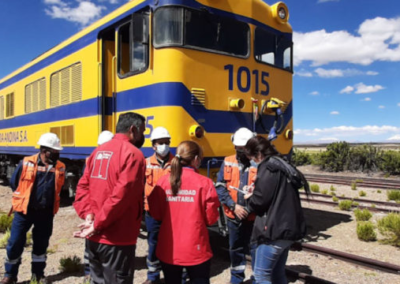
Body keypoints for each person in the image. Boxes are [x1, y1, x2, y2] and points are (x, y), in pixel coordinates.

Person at [73, 112, 146, 284]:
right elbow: (121, 197)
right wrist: (97, 224)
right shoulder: (134, 155)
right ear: (133, 130)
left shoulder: (97, 152)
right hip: (118, 238)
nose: (143, 136)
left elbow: (82, 188)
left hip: (94, 237)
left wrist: (89, 215)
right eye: (142, 131)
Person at [148, 141, 220, 284]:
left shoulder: (163, 182)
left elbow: (155, 213)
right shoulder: (205, 183)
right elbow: (211, 219)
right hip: (196, 248)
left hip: (168, 248)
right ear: (195, 159)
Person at [244, 136, 309, 284]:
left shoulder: (268, 168)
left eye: (251, 158)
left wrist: (250, 197)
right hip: (287, 228)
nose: (252, 162)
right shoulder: (282, 164)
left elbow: (259, 202)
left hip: (274, 231)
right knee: (277, 274)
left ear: (259, 154)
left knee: (261, 275)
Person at [1, 133, 65, 284]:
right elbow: (14, 182)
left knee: (41, 244)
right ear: (44, 151)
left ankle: (38, 275)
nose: (57, 154)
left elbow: (58, 189)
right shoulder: (26, 163)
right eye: (54, 151)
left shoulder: (60, 167)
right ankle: (10, 274)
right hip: (24, 211)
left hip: (46, 212)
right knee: (15, 241)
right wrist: (24, 198)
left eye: (57, 152)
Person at [215, 127, 257, 284]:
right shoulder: (228, 161)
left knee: (255, 249)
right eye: (238, 149)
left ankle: (256, 279)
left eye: (243, 149)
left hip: (253, 217)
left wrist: (249, 209)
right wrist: (234, 206)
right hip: (233, 215)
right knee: (236, 249)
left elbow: (264, 192)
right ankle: (237, 279)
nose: (240, 152)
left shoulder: (259, 164)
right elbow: (220, 186)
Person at [143, 127, 174, 284]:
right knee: (153, 243)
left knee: (172, 243)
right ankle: (153, 276)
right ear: (153, 146)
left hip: (171, 212)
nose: (164, 146)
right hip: (152, 212)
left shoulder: (176, 163)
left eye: (166, 143)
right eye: (161, 143)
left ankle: (171, 275)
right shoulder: (146, 163)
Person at [82, 130, 114, 283]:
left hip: (100, 208)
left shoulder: (91, 160)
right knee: (94, 240)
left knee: (93, 241)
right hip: (98, 208)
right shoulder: (92, 160)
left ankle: (91, 272)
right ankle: (91, 272)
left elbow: (83, 187)